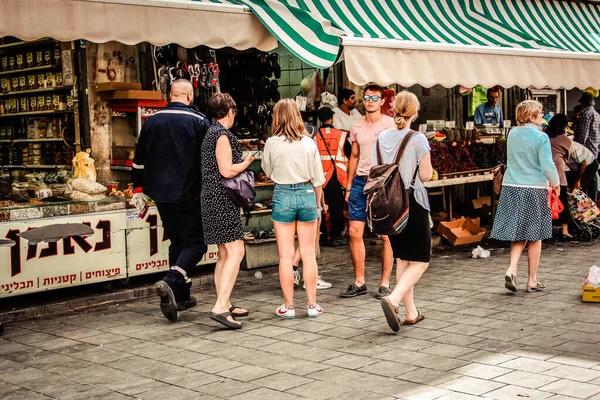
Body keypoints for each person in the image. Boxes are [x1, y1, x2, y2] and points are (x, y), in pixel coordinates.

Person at [132, 79, 209, 322]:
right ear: (190, 96)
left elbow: (139, 160)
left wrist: (138, 189)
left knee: (177, 240)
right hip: (188, 192)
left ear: (169, 95)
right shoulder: (198, 121)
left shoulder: (151, 121)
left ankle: (180, 296)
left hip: (160, 194)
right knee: (196, 243)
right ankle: (171, 281)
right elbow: (208, 159)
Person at [262, 99, 326, 319]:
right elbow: (318, 180)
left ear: (276, 117)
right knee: (308, 254)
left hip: (282, 195)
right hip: (307, 193)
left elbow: (267, 172)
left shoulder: (271, 143)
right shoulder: (309, 143)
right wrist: (317, 205)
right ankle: (312, 305)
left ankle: (288, 306)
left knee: (286, 255)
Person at [375, 91, 433, 333]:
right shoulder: (418, 139)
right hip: (413, 202)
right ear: (415, 111)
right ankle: (394, 298)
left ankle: (410, 313)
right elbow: (427, 175)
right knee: (421, 260)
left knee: (403, 258)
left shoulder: (381, 138)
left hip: (389, 204)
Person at [491, 100, 560, 293]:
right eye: (540, 113)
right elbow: (547, 165)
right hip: (533, 188)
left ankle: (512, 268)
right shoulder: (541, 137)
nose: (542, 117)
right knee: (535, 235)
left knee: (518, 232)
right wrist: (556, 184)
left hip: (511, 186)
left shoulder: (512, 133)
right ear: (532, 116)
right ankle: (532, 279)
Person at [201, 93, 254, 329]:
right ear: (230, 111)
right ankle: (221, 306)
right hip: (221, 198)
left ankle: (225, 301)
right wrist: (247, 162)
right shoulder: (221, 135)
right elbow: (226, 170)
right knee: (236, 251)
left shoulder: (211, 132)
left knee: (223, 253)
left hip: (212, 197)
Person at [342, 84, 396, 299]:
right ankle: (359, 281)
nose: (370, 101)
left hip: (381, 182)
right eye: (367, 97)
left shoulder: (390, 125)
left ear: (383, 101)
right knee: (355, 232)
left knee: (385, 234)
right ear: (362, 101)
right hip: (359, 182)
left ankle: (384, 283)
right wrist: (348, 185)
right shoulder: (355, 125)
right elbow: (354, 156)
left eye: (375, 98)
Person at [548, 114, 599, 240]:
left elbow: (583, 163)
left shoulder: (545, 137)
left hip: (585, 165)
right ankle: (567, 228)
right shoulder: (565, 140)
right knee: (567, 197)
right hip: (564, 170)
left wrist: (577, 181)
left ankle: (572, 223)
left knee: (573, 193)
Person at [573, 92, 600, 202]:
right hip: (595, 151)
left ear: (583, 103)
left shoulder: (586, 116)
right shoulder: (597, 115)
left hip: (586, 152)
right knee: (593, 177)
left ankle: (586, 204)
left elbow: (581, 139)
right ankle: (593, 202)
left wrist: (576, 151)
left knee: (583, 180)